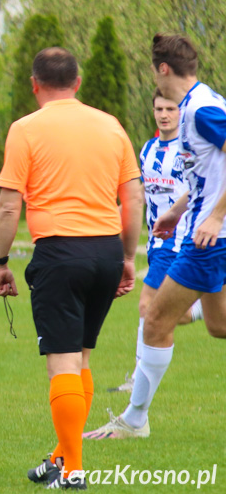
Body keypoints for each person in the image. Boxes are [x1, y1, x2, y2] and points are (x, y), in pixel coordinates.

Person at [0, 47, 143, 490]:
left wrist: (0, 263)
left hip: (59, 253)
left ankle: (73, 470)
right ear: (77, 83)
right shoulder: (111, 125)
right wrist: (128, 257)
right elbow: (132, 198)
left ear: (34, 84)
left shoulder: (26, 129)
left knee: (62, 365)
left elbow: (7, 205)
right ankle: (61, 456)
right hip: (106, 252)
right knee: (81, 359)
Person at [84, 34, 226, 441]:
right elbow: (208, 175)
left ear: (162, 69)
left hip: (209, 240)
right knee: (218, 325)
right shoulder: (199, 104)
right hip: (203, 232)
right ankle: (134, 420)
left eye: (152, 68)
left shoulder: (199, 110)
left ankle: (134, 420)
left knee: (155, 320)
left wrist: (215, 217)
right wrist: (177, 212)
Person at [108, 90, 204, 393]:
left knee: (147, 305)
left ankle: (139, 379)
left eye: (170, 109)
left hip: (178, 239)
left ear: (180, 113)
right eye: (159, 109)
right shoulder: (148, 149)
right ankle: (208, 307)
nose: (164, 114)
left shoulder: (188, 150)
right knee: (167, 312)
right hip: (155, 241)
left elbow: (202, 188)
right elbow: (140, 198)